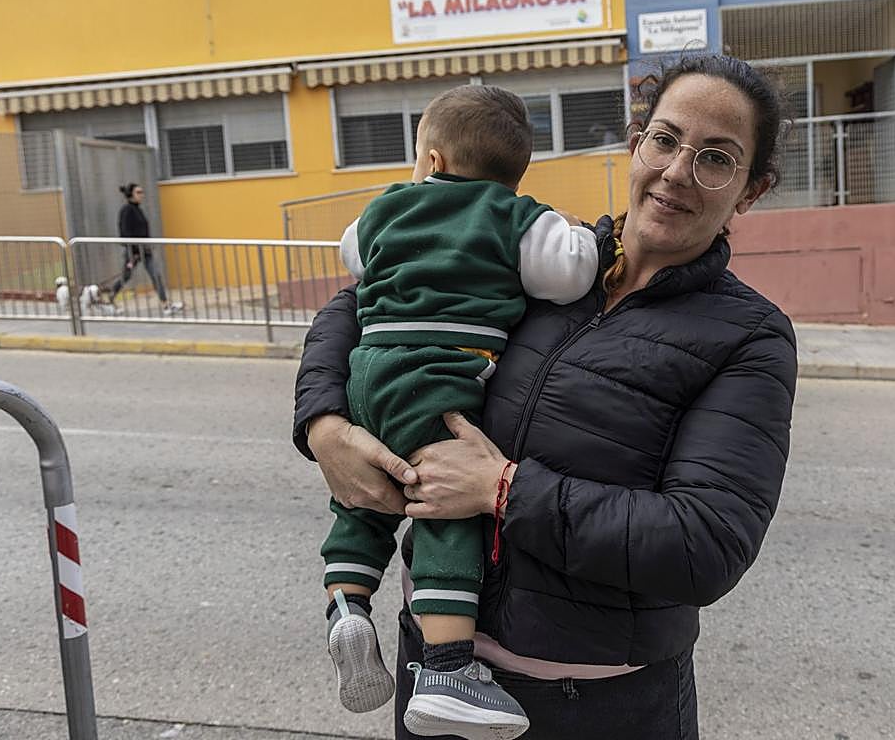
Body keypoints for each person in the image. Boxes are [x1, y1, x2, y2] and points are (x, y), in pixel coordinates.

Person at [293, 54, 798, 740]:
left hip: (594, 710)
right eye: (666, 139)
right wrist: (324, 424)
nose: (678, 170)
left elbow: (702, 545)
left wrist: (502, 491)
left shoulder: (749, 337)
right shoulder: (554, 262)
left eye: (716, 158)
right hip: (432, 685)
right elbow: (357, 304)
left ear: (750, 190)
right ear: (636, 143)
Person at [320, 84, 599, 739]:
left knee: (361, 497)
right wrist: (587, 236)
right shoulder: (512, 215)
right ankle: (448, 668)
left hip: (366, 373)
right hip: (438, 380)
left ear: (434, 159)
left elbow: (352, 253)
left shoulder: (387, 208)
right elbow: (572, 272)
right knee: (441, 501)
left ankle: (347, 605)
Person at [107, 183, 182, 315]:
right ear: (131, 195)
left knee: (156, 275)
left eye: (142, 192)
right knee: (125, 276)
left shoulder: (137, 209)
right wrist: (134, 251)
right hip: (134, 251)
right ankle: (110, 298)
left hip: (145, 251)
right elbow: (125, 232)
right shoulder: (127, 210)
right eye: (138, 192)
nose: (142, 195)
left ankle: (165, 304)